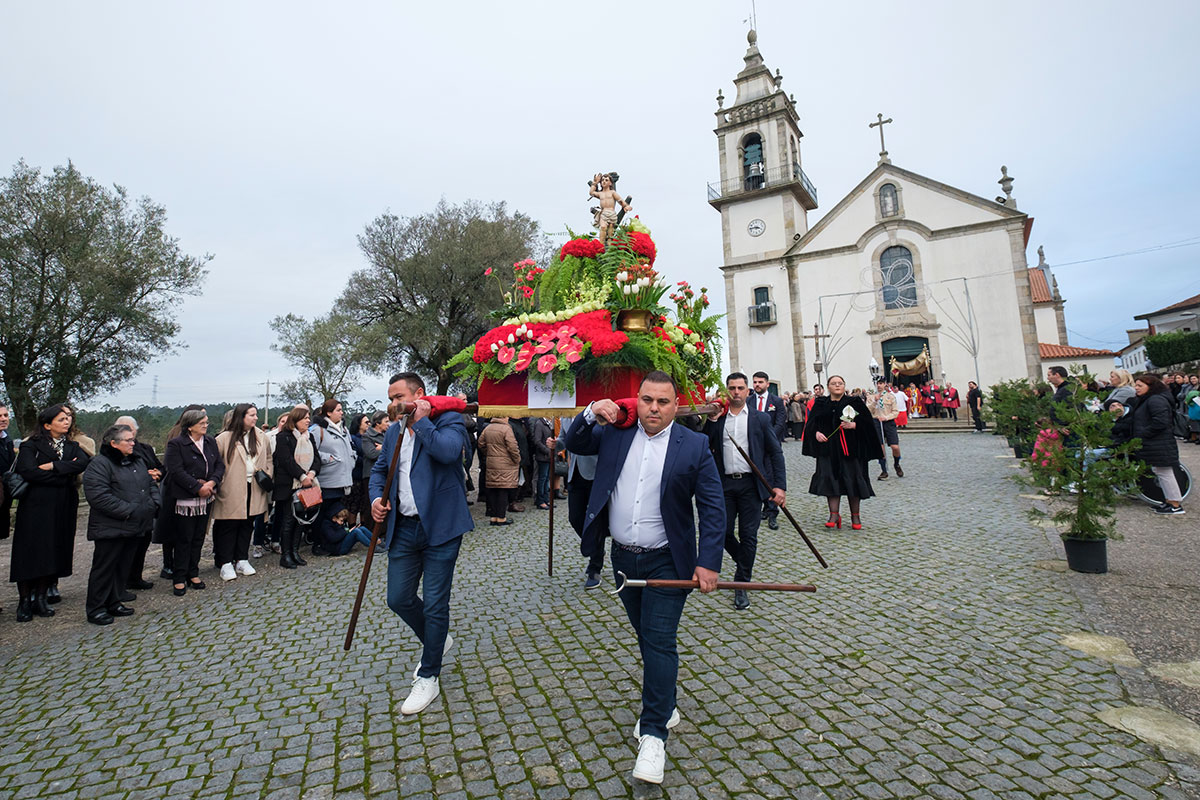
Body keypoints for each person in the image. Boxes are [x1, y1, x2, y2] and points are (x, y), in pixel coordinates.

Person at [563, 370, 724, 785]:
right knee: (646, 636)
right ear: (636, 400)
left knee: (657, 640)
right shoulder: (615, 433)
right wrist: (590, 412)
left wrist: (709, 562)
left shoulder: (695, 445)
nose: (653, 408)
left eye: (663, 402)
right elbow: (574, 442)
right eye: (647, 400)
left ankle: (653, 734)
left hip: (668, 561)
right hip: (622, 558)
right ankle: (665, 699)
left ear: (676, 405)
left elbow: (711, 507)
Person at [369, 372, 474, 716]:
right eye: (390, 397)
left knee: (434, 603)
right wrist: (375, 499)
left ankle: (429, 675)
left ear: (419, 394)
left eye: (399, 396)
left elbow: (448, 454)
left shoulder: (449, 420)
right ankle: (437, 639)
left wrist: (422, 421)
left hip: (442, 527)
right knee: (397, 597)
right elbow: (380, 471)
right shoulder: (395, 429)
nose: (393, 403)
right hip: (404, 528)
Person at [704, 373, 786, 611]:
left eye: (740, 388)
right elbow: (703, 443)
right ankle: (744, 562)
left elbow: (775, 453)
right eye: (732, 388)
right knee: (724, 533)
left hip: (751, 486)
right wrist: (710, 420)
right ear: (727, 392)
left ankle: (742, 584)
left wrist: (779, 486)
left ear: (748, 391)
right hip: (725, 485)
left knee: (749, 535)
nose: (736, 392)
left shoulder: (760, 419)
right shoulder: (718, 419)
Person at [10, 404, 91, 621]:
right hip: (36, 506)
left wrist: (52, 466)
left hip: (63, 505)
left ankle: (42, 597)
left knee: (53, 549)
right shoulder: (30, 446)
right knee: (30, 551)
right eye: (61, 419)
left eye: (68, 418)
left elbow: (82, 464)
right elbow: (28, 472)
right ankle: (25, 600)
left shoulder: (73, 446)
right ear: (47, 424)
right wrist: (63, 470)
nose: (67, 422)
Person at [82, 425, 159, 625]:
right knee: (105, 568)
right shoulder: (99, 464)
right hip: (112, 527)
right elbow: (98, 496)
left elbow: (150, 485)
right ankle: (96, 608)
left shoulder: (137, 461)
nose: (133, 443)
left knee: (122, 567)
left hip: (135, 525)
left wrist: (153, 504)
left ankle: (114, 601)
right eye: (128, 440)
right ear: (113, 443)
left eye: (133, 439)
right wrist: (130, 510)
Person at [802, 375, 880, 531]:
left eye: (840, 383)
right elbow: (811, 424)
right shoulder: (820, 403)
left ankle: (855, 516)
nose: (837, 386)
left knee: (853, 481)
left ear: (844, 386)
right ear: (828, 387)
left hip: (851, 450)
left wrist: (854, 425)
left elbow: (868, 424)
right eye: (834, 383)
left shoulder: (854, 402)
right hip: (828, 450)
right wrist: (816, 433)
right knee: (831, 481)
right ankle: (834, 515)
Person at [164, 408, 224, 595]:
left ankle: (193, 572)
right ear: (190, 427)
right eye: (202, 423)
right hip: (186, 499)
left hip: (206, 497)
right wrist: (197, 487)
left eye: (206, 422)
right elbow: (175, 470)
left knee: (198, 537)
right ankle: (179, 576)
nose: (206, 426)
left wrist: (212, 482)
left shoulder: (210, 441)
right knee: (184, 538)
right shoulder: (177, 444)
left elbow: (219, 464)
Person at [212, 404, 272, 582]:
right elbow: (217, 462)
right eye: (251, 415)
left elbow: (268, 457)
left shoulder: (261, 437)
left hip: (254, 486)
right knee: (229, 526)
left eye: (256, 414)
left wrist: (267, 473)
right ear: (241, 417)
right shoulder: (224, 438)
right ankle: (225, 563)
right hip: (232, 488)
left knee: (247, 524)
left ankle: (242, 559)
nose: (255, 418)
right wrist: (221, 482)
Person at [153, 405, 205, 579]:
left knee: (186, 532)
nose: (204, 420)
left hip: (193, 488)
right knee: (173, 530)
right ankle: (170, 565)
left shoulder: (206, 439)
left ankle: (182, 566)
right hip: (176, 488)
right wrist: (196, 483)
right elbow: (176, 466)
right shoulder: (177, 436)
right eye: (201, 416)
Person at [112, 415, 163, 590]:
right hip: (127, 501)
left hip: (147, 500)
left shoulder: (146, 448)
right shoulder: (115, 452)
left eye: (130, 429)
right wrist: (144, 475)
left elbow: (161, 467)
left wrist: (157, 473)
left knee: (143, 540)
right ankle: (121, 581)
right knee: (127, 545)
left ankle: (136, 576)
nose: (128, 433)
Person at [551, 415, 601, 588]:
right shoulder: (565, 416)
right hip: (575, 473)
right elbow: (565, 440)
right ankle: (595, 546)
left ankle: (595, 566)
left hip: (595, 472)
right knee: (575, 517)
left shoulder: (594, 414)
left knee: (596, 521)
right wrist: (555, 444)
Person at [272, 405, 321, 568]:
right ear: (296, 419)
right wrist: (302, 476)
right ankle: (285, 555)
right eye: (305, 418)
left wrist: (311, 475)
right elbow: (286, 461)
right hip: (289, 485)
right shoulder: (283, 437)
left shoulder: (309, 437)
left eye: (309, 417)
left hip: (308, 485)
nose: (308, 420)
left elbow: (316, 459)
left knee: (301, 520)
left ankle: (295, 551)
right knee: (288, 520)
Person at [1128, 374, 1185, 515]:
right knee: (1161, 471)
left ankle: (1175, 504)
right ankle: (1169, 501)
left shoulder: (1155, 400)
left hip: (1159, 442)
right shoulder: (1149, 399)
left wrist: (1143, 433)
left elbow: (1160, 421)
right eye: (1136, 385)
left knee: (1165, 472)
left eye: (1140, 385)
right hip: (1155, 442)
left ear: (1151, 386)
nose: (1136, 388)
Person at [310, 399, 356, 556]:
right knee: (322, 514)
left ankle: (333, 540)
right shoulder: (318, 430)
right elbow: (312, 452)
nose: (342, 412)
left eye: (342, 409)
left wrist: (352, 457)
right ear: (328, 413)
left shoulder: (344, 429)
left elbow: (351, 447)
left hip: (343, 480)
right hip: (327, 480)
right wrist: (328, 458)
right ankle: (319, 543)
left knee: (335, 513)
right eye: (338, 410)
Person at [750, 372, 786, 530]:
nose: (757, 385)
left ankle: (772, 512)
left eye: (760, 382)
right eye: (755, 382)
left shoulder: (776, 401)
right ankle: (762, 507)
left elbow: (780, 422)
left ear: (767, 383)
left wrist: (769, 437)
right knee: (758, 476)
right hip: (755, 446)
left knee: (771, 477)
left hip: (771, 446)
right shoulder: (749, 401)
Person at [477, 416, 520, 525]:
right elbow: (512, 446)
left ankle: (493, 517)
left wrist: (489, 453)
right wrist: (517, 459)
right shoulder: (506, 429)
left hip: (492, 462)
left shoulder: (488, 428)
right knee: (503, 490)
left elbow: (481, 443)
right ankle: (501, 517)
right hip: (505, 463)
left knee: (493, 489)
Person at [869, 379, 902, 479]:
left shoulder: (890, 396)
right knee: (880, 447)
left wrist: (886, 417)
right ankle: (884, 470)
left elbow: (896, 411)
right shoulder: (871, 397)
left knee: (895, 447)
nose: (879, 386)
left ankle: (897, 464)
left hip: (888, 421)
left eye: (881, 383)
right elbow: (868, 410)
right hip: (876, 422)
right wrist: (875, 401)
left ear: (885, 385)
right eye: (877, 384)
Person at [588, 171, 632, 245]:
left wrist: (625, 206)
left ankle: (609, 247)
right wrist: (595, 183)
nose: (604, 181)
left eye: (606, 180)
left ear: (610, 183)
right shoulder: (600, 193)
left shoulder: (612, 192)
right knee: (603, 227)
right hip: (604, 213)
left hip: (611, 213)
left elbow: (620, 200)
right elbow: (591, 193)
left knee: (610, 233)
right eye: (602, 180)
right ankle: (600, 246)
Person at [347, 412, 369, 526]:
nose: (368, 424)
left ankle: (364, 525)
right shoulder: (353, 439)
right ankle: (352, 527)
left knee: (364, 502)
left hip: (365, 475)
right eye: (366, 422)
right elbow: (353, 455)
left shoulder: (369, 437)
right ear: (358, 424)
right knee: (354, 503)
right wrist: (368, 458)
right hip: (356, 476)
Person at [529, 416, 553, 510]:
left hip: (548, 456)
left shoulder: (549, 423)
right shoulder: (539, 423)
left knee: (547, 478)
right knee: (542, 478)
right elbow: (537, 441)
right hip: (543, 456)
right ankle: (540, 501)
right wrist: (547, 451)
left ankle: (546, 499)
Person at [0, 405, 14, 546]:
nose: (3, 419)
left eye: (5, 415)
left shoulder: (7, 440)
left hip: (5, 494)